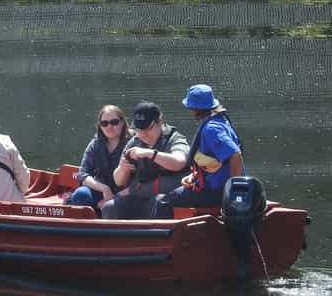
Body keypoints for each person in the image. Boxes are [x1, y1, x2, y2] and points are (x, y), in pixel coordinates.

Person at [154, 84, 244, 218]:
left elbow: (235, 155)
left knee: (163, 202)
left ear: (194, 109)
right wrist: (193, 176)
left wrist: (231, 191)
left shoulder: (211, 129)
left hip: (216, 191)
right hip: (212, 186)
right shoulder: (220, 121)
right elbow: (213, 161)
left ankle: (167, 239)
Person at [101, 101, 189, 219]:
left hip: (163, 198)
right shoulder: (134, 142)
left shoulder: (175, 139)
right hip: (139, 198)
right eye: (139, 129)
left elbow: (180, 162)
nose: (143, 134)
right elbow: (118, 181)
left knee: (159, 203)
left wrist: (149, 153)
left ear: (160, 121)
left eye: (148, 128)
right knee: (110, 208)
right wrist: (123, 169)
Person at [68, 105, 132, 212]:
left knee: (114, 206)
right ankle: (90, 223)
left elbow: (142, 182)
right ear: (100, 126)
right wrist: (104, 189)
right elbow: (83, 174)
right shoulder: (95, 144)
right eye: (104, 123)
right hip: (100, 190)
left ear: (122, 122)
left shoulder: (133, 143)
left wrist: (113, 198)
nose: (109, 126)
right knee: (80, 195)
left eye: (114, 122)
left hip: (126, 193)